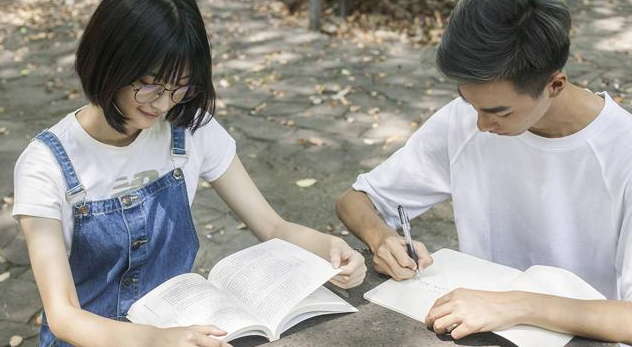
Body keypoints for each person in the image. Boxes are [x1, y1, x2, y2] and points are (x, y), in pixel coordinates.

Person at [11, 1, 367, 346]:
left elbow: (272, 227)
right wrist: (156, 341)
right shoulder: (46, 165)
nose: (165, 104)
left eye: (180, 87)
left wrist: (328, 249)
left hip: (182, 330)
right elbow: (63, 316)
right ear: (109, 64)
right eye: (150, 86)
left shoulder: (190, 130)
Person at [336, 0, 632, 343]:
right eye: (468, 102)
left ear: (555, 85)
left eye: (499, 112)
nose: (480, 124)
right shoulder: (463, 120)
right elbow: (354, 200)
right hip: (476, 329)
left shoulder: (622, 152)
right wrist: (382, 239)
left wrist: (518, 305)